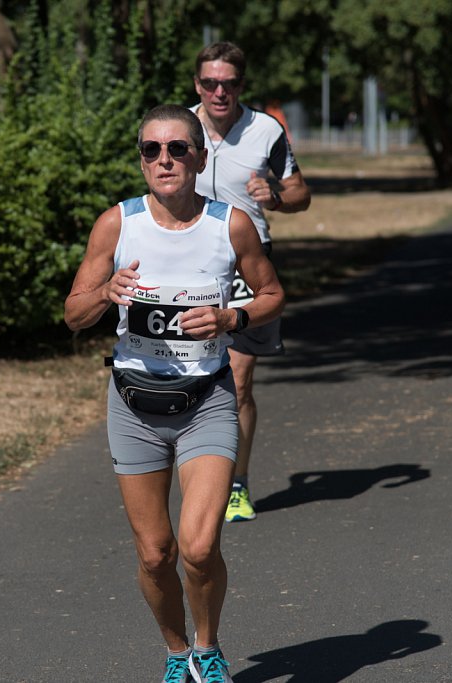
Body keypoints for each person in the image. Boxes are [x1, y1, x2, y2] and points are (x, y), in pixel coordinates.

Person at [64, 104, 284, 683]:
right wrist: (106, 292)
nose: (165, 160)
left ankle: (207, 651)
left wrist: (230, 319)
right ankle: (174, 650)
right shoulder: (117, 225)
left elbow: (271, 296)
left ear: (200, 157)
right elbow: (72, 315)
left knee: (199, 545)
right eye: (151, 150)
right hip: (134, 406)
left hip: (205, 402)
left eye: (177, 149)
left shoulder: (229, 224)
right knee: (155, 554)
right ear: (141, 160)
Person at [190, 42, 312, 523]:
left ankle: (235, 485)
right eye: (210, 83)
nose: (220, 92)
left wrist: (277, 197)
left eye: (231, 83)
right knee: (191, 375)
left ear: (243, 84)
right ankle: (195, 471)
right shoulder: (178, 126)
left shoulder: (265, 130)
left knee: (237, 382)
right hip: (188, 264)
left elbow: (302, 193)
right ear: (197, 84)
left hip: (247, 263)